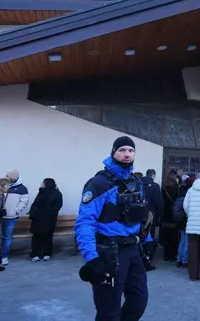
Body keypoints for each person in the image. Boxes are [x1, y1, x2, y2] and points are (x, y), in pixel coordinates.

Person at [75, 136, 153, 321]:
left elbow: (141, 216)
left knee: (138, 301)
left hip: (133, 250)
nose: (127, 154)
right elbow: (85, 222)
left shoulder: (136, 183)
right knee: (109, 311)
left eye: (131, 150)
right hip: (110, 252)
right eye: (122, 150)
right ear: (113, 152)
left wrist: (148, 241)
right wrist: (91, 257)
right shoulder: (99, 183)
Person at [28, 178, 63, 262]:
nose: (41, 184)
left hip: (49, 219)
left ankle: (46, 253)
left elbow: (58, 205)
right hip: (38, 218)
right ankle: (36, 254)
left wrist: (51, 214)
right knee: (36, 236)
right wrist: (32, 213)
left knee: (47, 236)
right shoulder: (41, 192)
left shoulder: (57, 193)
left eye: (43, 183)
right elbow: (35, 203)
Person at [2, 169, 29, 265]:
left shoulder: (22, 189)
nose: (6, 177)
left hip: (11, 218)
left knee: (7, 238)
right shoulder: (2, 185)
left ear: (14, 177)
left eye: (7, 176)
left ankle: (4, 256)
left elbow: (24, 202)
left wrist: (15, 211)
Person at [141, 169, 163, 270]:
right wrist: (159, 216)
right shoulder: (155, 186)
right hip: (150, 216)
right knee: (149, 237)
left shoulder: (138, 184)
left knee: (139, 237)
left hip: (138, 216)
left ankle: (139, 259)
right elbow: (159, 203)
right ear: (153, 175)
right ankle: (147, 260)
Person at [161, 170, 180, 263]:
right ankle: (172, 255)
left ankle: (166, 255)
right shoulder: (176, 187)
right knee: (173, 236)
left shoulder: (163, 187)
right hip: (173, 213)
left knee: (166, 236)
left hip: (165, 213)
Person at [175, 176, 191, 268]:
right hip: (186, 221)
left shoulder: (178, 198)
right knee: (187, 241)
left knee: (182, 241)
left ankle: (179, 259)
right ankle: (185, 260)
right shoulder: (186, 199)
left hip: (180, 222)